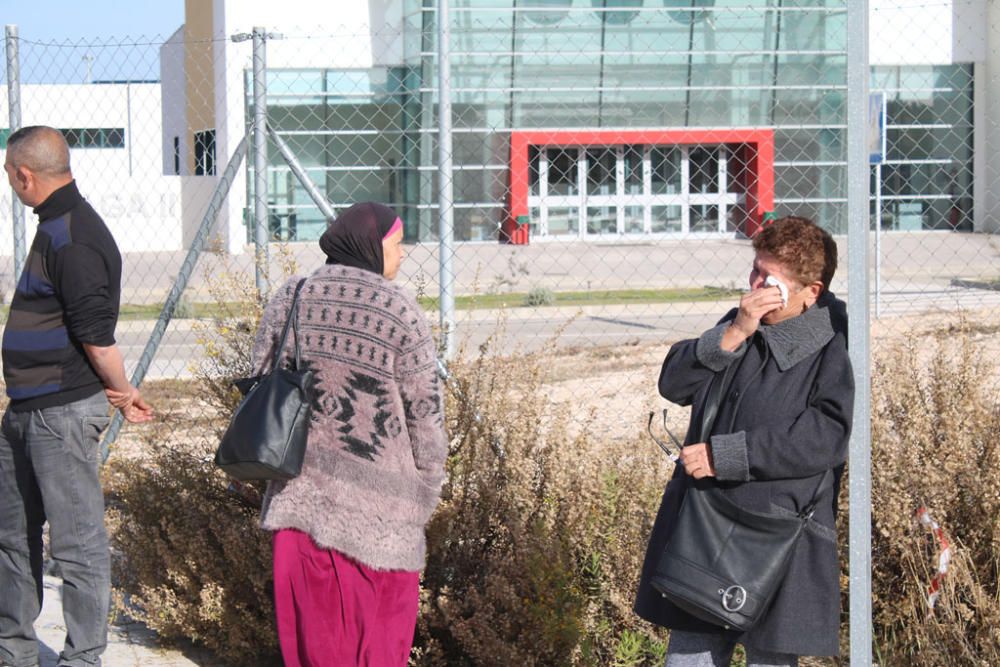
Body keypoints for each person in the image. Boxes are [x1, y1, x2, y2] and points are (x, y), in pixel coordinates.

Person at [634, 216, 854, 666]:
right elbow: (674, 384)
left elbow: (825, 436)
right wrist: (733, 333)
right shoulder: (741, 324)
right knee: (688, 658)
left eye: (768, 278)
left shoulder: (831, 348)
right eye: (755, 270)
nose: (754, 286)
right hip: (707, 527)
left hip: (777, 536)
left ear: (811, 291)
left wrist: (724, 455)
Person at [253, 202, 447, 667]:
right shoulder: (399, 309)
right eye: (396, 244)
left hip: (300, 511)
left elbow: (259, 379)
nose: (401, 255)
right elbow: (426, 416)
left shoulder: (292, 296)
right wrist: (427, 491)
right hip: (381, 526)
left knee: (312, 651)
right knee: (377, 651)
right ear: (370, 245)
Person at [0, 126, 154, 667]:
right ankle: (14, 652)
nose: (11, 187)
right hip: (27, 410)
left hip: (60, 413)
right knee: (12, 537)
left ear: (25, 175)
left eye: (9, 178)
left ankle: (82, 657)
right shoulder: (56, 225)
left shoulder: (75, 236)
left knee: (76, 545)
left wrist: (121, 390)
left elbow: (96, 334)